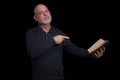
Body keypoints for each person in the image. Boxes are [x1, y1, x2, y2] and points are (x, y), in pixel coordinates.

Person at [25, 3, 105, 80]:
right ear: (35, 18)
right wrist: (53, 41)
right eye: (41, 13)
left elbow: (76, 50)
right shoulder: (31, 33)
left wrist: (92, 54)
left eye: (47, 11)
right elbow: (32, 52)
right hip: (38, 78)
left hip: (58, 77)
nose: (45, 14)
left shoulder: (59, 33)